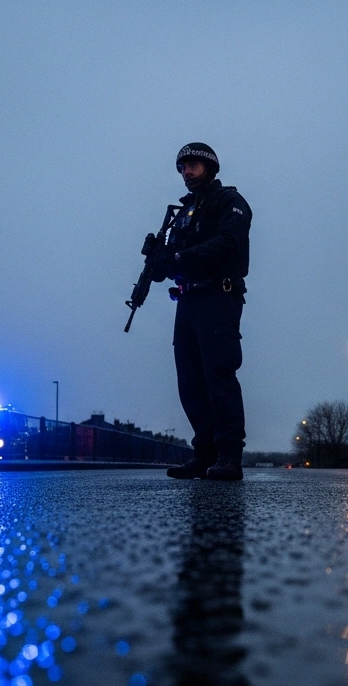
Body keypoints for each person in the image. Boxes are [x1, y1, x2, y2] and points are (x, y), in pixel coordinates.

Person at [147, 143, 251, 481]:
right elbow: (175, 260)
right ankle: (204, 453)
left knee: (218, 376)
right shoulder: (185, 211)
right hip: (188, 300)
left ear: (210, 167)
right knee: (190, 381)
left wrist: (176, 259)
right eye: (182, 168)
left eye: (192, 165)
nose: (186, 172)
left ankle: (229, 456)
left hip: (218, 297)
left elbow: (227, 244)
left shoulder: (229, 203)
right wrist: (159, 261)